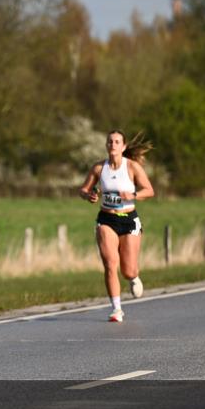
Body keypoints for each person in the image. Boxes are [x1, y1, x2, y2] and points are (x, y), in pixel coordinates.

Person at [78, 130, 154, 323]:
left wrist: (134, 196)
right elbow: (83, 189)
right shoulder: (98, 168)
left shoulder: (132, 167)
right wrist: (90, 196)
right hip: (106, 219)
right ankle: (116, 309)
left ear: (123, 146)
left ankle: (133, 278)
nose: (113, 145)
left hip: (129, 220)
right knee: (110, 264)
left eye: (117, 142)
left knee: (128, 270)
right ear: (106, 145)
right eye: (110, 141)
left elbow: (149, 191)